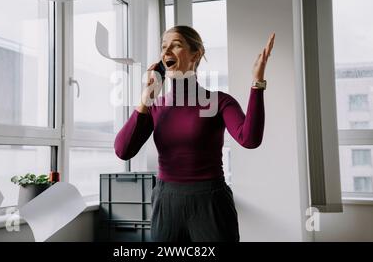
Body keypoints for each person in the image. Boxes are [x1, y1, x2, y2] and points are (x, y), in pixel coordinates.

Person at [114, 25, 275, 242]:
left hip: (210, 202)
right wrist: (146, 96)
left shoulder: (219, 101)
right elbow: (123, 150)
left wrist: (257, 84)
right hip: (166, 201)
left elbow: (250, 139)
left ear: (195, 54)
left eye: (176, 45)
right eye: (163, 47)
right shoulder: (155, 106)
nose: (166, 51)